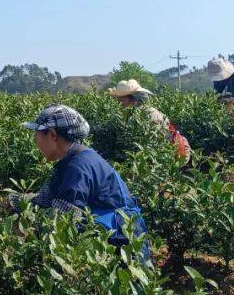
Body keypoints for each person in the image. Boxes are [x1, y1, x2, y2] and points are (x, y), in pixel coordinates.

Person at [12, 104, 151, 264]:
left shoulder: (78, 167)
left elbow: (62, 223)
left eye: (37, 134)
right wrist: (12, 201)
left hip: (121, 247)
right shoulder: (71, 160)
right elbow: (44, 198)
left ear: (52, 134)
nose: (35, 140)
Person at [106, 79, 191, 161]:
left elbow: (158, 145)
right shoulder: (132, 114)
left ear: (133, 98)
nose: (119, 102)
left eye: (121, 98)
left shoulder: (149, 115)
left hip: (165, 158)